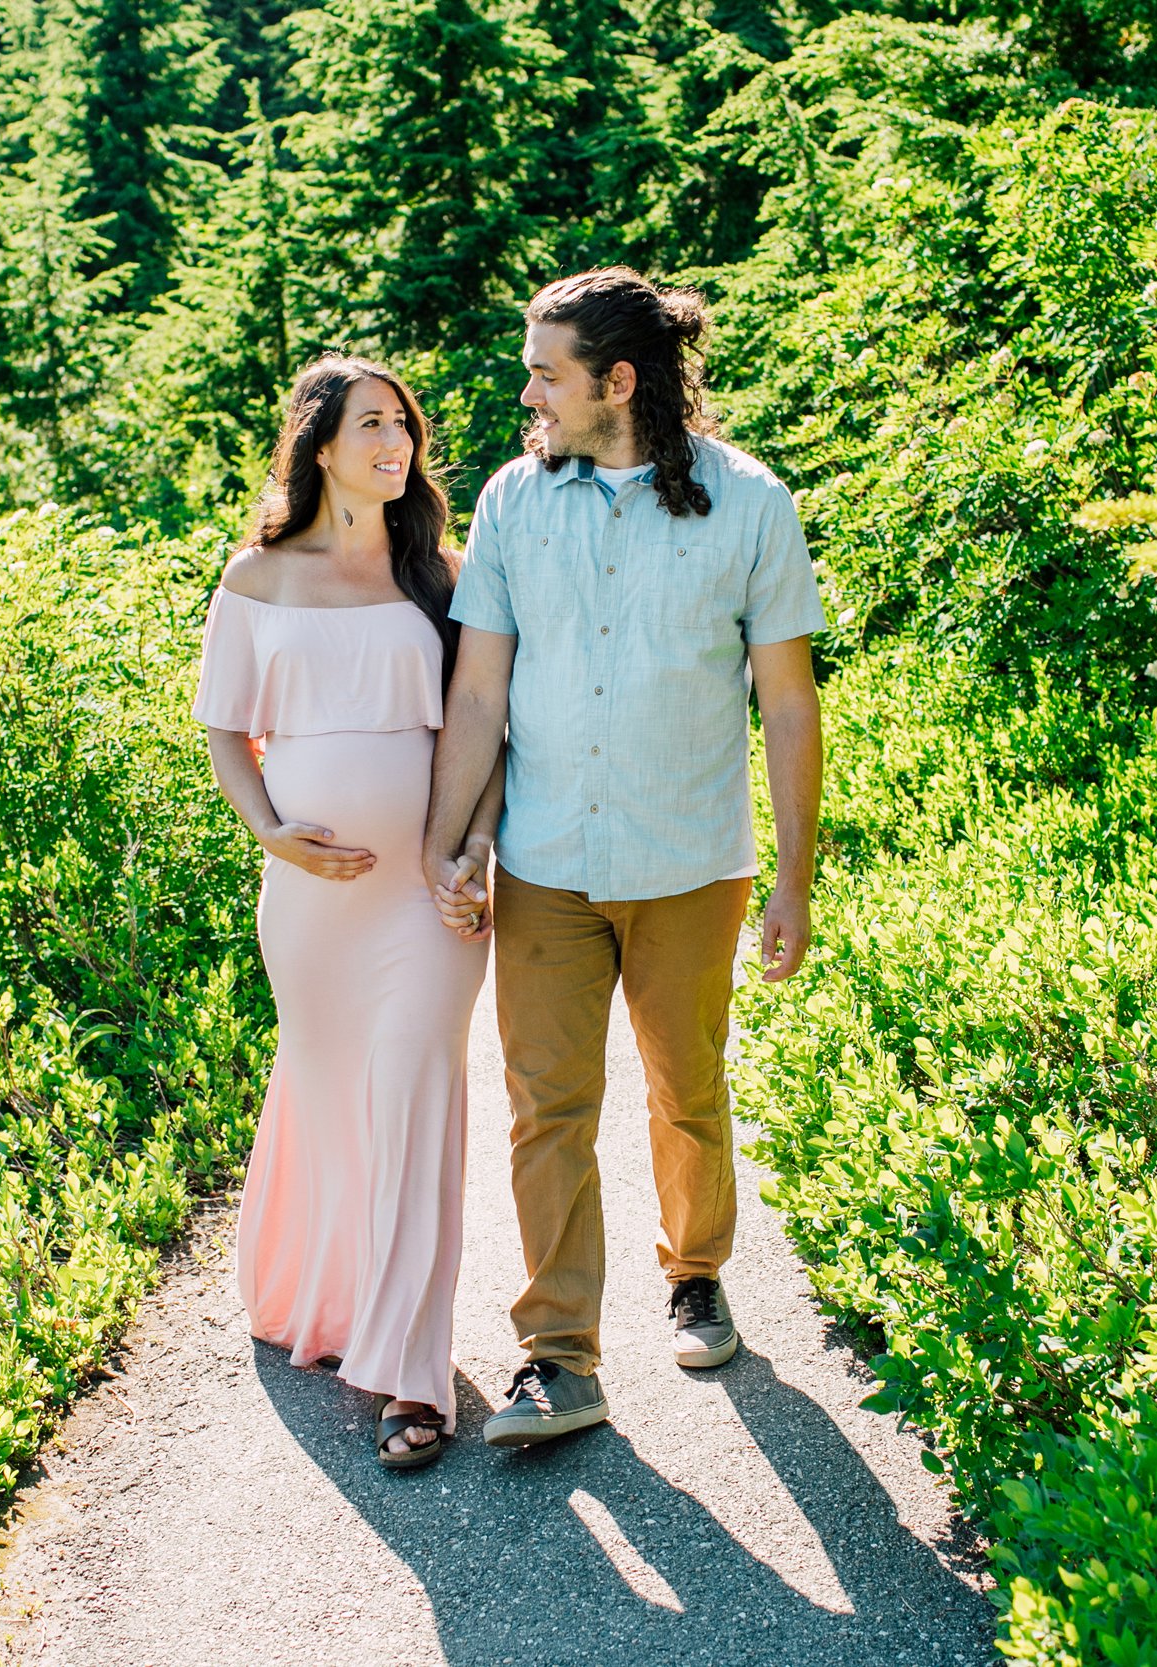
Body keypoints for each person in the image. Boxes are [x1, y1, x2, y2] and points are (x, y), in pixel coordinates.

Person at [421, 268, 826, 1449]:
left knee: (684, 1085)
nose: (527, 391)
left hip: (692, 857)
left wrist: (795, 877)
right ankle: (558, 1355)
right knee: (546, 1102)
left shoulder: (750, 504)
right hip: (546, 858)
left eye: (546, 371)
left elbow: (788, 704)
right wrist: (450, 846)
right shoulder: (512, 501)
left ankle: (694, 1272)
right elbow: (479, 687)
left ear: (619, 381)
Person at [194, 356, 501, 1470]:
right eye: (371, 424)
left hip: (428, 894)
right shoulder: (257, 575)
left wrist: (468, 849)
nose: (395, 443)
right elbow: (227, 729)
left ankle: (411, 1381)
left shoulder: (443, 575)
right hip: (310, 902)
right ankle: (320, 1289)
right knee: (327, 1089)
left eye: (405, 426)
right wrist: (267, 828)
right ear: (318, 445)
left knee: (415, 1098)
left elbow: (488, 726)